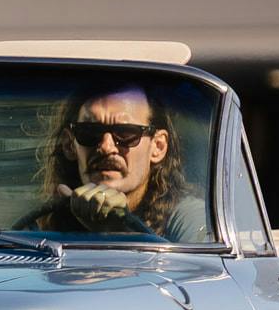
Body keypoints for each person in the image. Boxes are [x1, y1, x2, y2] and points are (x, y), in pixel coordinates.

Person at [32, 85, 183, 236]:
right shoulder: (44, 227)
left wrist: (117, 232)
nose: (106, 147)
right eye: (89, 132)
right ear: (69, 145)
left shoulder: (187, 219)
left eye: (125, 133)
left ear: (158, 146)